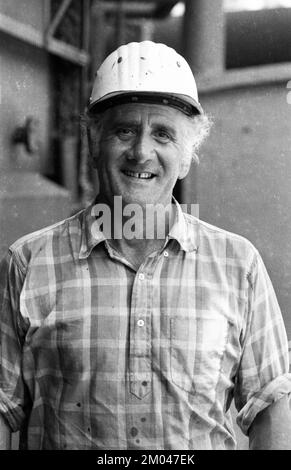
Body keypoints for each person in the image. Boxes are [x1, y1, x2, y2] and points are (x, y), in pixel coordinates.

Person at [0, 41, 291, 451]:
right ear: (93, 141)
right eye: (124, 130)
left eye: (163, 134)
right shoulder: (28, 263)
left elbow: (271, 409)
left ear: (186, 156)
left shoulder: (238, 265)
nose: (141, 151)